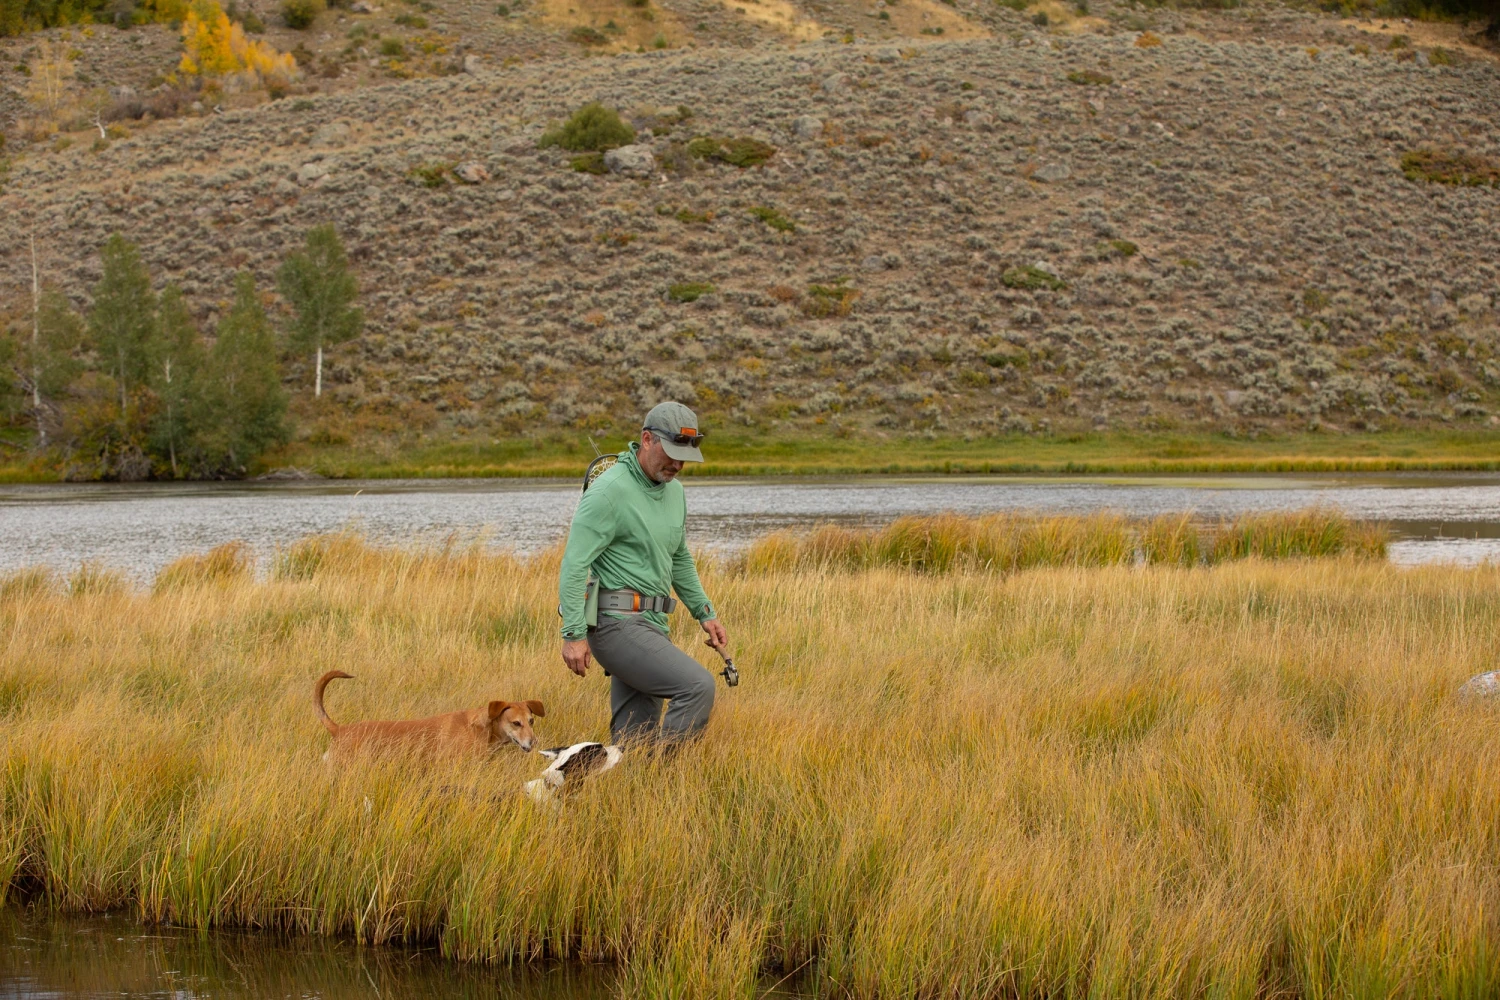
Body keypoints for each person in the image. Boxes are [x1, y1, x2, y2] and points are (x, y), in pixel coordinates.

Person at [557, 402, 729, 744]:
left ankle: (636, 787)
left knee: (636, 736)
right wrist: (573, 634)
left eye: (684, 458)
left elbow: (678, 556)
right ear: (646, 439)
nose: (677, 465)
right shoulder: (608, 492)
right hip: (615, 626)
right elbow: (574, 564)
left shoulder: (675, 492)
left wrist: (704, 612)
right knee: (697, 686)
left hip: (653, 625)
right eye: (671, 453)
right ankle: (667, 777)